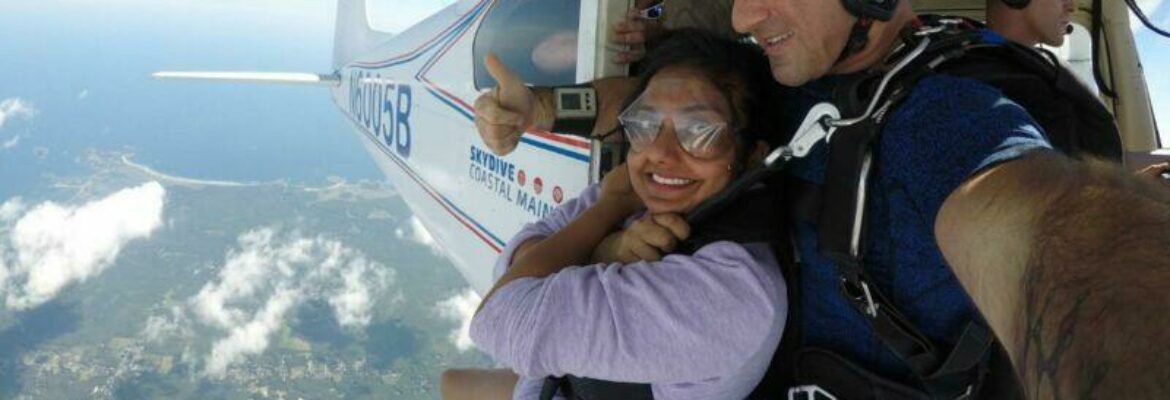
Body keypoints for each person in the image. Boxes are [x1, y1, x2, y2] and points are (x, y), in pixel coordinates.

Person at [474, 0, 1170, 398]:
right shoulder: (799, 71)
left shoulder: (945, 124)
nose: (746, 14)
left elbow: (1058, 244)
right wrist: (542, 105)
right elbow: (653, 100)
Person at [465, 30, 790, 400]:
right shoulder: (648, 192)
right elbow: (510, 268)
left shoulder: (731, 295)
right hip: (547, 384)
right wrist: (607, 248)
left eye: (699, 131)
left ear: (752, 155)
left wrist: (609, 208)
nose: (660, 154)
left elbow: (500, 315)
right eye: (645, 125)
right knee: (451, 382)